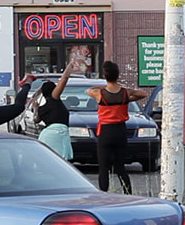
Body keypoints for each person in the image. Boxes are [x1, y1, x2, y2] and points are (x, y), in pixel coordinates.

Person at [86, 61, 147, 194]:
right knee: (120, 167)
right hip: (120, 130)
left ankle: (104, 194)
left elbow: (88, 90)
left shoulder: (100, 93)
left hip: (105, 131)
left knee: (103, 167)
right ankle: (128, 193)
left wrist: (103, 84)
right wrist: (127, 99)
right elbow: (143, 94)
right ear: (118, 76)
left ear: (105, 76)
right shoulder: (125, 92)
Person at [35, 59, 83, 160]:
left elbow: (36, 120)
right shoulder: (54, 99)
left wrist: (35, 107)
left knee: (49, 160)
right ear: (54, 90)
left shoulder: (42, 109)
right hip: (58, 135)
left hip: (46, 135)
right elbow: (64, 79)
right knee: (61, 160)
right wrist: (70, 65)